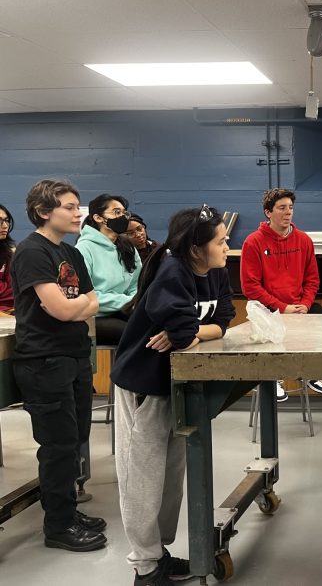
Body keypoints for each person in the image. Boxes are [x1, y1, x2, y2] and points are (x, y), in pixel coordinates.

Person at [111, 204, 235, 585]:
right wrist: (192, 332)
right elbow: (182, 333)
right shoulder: (172, 271)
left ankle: (157, 554)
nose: (228, 246)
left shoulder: (215, 272)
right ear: (196, 247)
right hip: (143, 384)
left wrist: (195, 332)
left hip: (175, 384)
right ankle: (144, 568)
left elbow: (224, 320)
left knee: (170, 474)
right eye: (221, 241)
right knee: (142, 477)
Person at [11, 180, 106, 552]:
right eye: (69, 206)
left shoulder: (71, 251)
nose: (77, 212)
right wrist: (76, 307)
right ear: (43, 211)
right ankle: (59, 526)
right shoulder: (32, 253)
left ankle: (65, 510)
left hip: (74, 356)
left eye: (77, 205)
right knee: (58, 446)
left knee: (75, 440)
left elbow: (94, 302)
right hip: (43, 361)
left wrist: (76, 308)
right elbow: (65, 308)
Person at [240, 188, 322, 400]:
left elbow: (312, 280)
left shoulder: (304, 240)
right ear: (268, 212)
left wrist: (305, 305)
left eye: (290, 208)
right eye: (282, 208)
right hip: (268, 308)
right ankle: (273, 378)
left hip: (299, 306)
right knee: (272, 333)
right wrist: (282, 308)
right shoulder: (253, 242)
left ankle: (310, 371)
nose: (288, 212)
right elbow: (250, 287)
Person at [75, 194, 141, 345]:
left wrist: (135, 302)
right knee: (135, 334)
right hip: (96, 315)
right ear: (98, 218)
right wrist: (128, 302)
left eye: (125, 213)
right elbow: (85, 294)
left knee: (155, 326)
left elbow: (136, 284)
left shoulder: (128, 247)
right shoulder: (84, 249)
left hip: (123, 309)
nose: (123, 217)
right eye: (117, 212)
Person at [0, 203, 15, 313]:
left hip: (8, 309)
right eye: (0, 221)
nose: (5, 226)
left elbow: (13, 286)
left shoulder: (8, 253)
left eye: (6, 220)